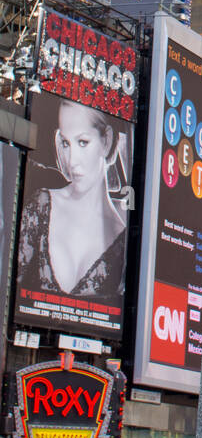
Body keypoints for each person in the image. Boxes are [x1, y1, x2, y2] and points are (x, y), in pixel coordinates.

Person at [16, 99, 127, 303]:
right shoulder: (41, 205)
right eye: (66, 143)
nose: (72, 159)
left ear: (107, 140)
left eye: (83, 142)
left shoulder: (123, 241)